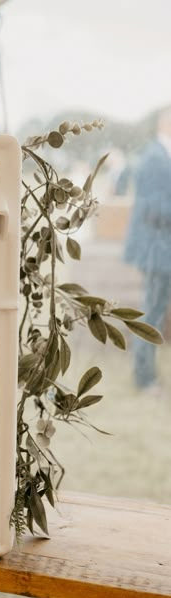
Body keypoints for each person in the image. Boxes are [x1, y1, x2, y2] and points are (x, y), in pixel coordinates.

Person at [124, 105, 171, 390]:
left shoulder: (161, 154)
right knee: (151, 314)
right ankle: (144, 378)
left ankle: (147, 375)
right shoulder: (155, 157)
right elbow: (153, 208)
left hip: (161, 250)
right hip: (156, 251)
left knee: (155, 312)